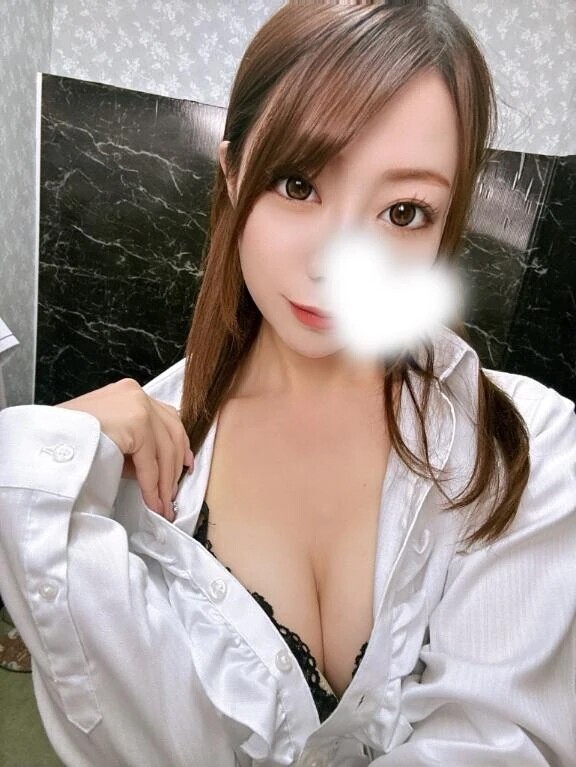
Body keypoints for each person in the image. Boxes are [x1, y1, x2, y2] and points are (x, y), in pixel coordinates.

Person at [1, 1, 575, 765]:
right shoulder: (132, 482)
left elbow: (499, 744)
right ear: (234, 173)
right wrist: (41, 459)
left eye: (405, 211)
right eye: (298, 184)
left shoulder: (530, 447)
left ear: (447, 227)